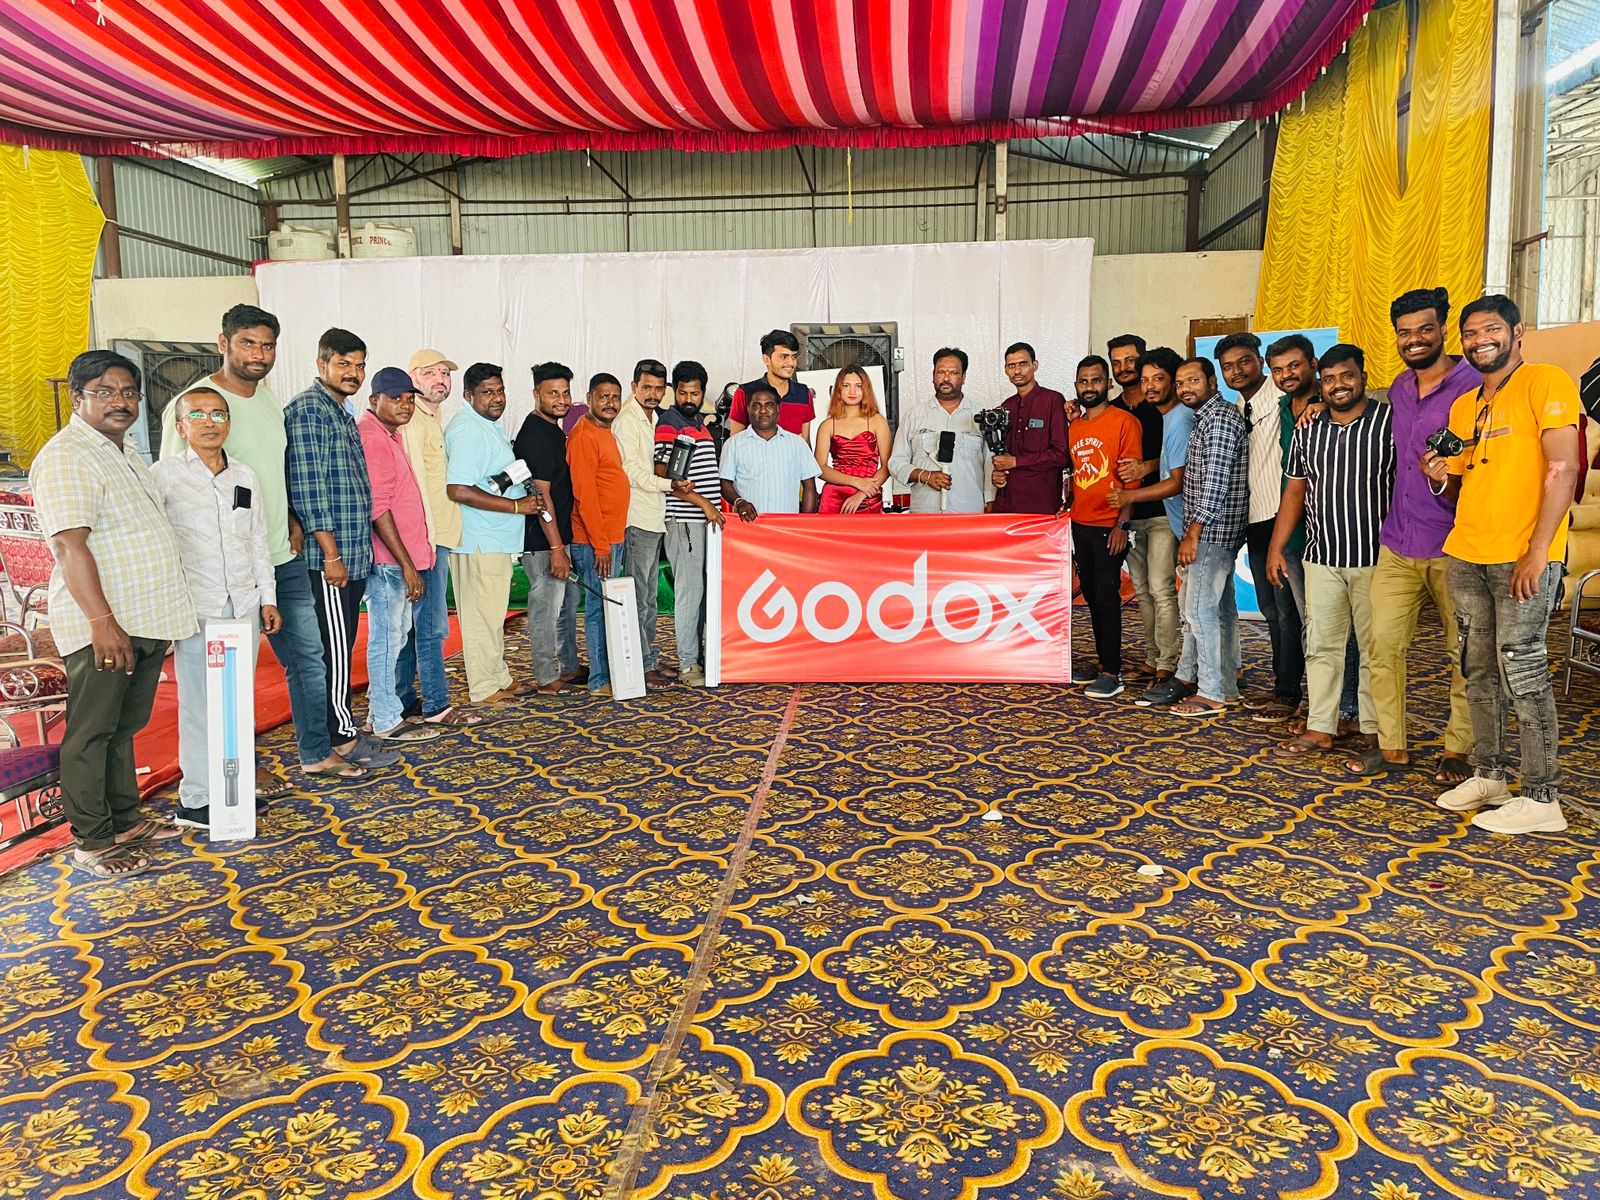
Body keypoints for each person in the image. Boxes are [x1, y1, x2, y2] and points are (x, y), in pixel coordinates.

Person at [161, 305, 359, 785]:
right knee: (228, 679)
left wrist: (289, 518)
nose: (259, 354)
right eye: (247, 343)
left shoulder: (269, 400)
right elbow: (173, 492)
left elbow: (273, 472)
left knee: (309, 658)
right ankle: (229, 775)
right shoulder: (194, 405)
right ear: (223, 343)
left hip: (280, 558)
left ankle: (316, 752)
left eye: (267, 346)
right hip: (224, 573)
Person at [31, 350, 197, 876]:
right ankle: (93, 840)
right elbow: (69, 546)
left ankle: (125, 819)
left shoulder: (122, 452)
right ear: (77, 397)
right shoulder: (68, 456)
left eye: (128, 392)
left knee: (124, 726)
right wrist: (102, 623)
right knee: (92, 732)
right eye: (104, 392)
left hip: (144, 616)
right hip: (107, 623)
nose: (120, 402)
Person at [1424, 295, 1581, 835]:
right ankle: (1489, 774)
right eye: (1470, 333)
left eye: (1491, 329)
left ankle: (1542, 798)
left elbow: (1564, 468)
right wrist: (1439, 475)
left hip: (1522, 556)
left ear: (1517, 332)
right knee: (1477, 668)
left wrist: (1538, 550)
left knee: (1524, 671)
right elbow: (1461, 481)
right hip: (1467, 552)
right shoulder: (1465, 405)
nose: (1479, 340)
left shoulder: (1545, 381)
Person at [1358, 289, 1478, 780]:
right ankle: (1391, 745)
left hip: (1455, 544)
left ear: (1443, 330)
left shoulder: (1475, 386)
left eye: (1425, 329)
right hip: (1398, 540)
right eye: (1405, 332)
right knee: (1382, 645)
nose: (1415, 339)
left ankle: (1458, 748)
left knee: (1463, 652)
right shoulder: (1401, 387)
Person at [153, 387, 281, 830]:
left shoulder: (243, 475)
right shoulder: (164, 476)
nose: (210, 422)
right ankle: (196, 799)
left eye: (219, 414)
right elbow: (158, 544)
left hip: (242, 604)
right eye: (198, 415)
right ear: (181, 425)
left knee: (236, 703)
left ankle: (232, 792)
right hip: (198, 607)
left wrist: (267, 597)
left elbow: (257, 540)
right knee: (199, 705)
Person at [1266, 345, 1395, 761]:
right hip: (1320, 556)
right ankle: (1321, 726)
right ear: (1320, 382)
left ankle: (1374, 728)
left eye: (1347, 376)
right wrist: (1276, 547)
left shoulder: (1390, 422)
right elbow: (1294, 491)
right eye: (1330, 379)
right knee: (1321, 645)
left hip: (1376, 559)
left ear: (1363, 378)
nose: (1339, 385)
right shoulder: (1308, 429)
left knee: (1375, 648)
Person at [286, 329, 393, 769]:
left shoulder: (340, 412)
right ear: (321, 364)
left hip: (350, 553)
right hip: (329, 559)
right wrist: (331, 555)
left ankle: (340, 731)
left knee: (341, 647)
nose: (353, 373)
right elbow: (308, 489)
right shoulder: (310, 410)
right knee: (331, 651)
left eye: (359, 365)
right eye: (344, 364)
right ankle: (341, 738)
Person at [1218, 331, 1309, 719]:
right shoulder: (1238, 406)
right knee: (1271, 609)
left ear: (1259, 362)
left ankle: (1290, 693)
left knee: (1290, 612)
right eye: (1228, 367)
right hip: (1254, 519)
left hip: (1283, 519)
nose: (1237, 371)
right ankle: (1282, 686)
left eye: (1244, 361)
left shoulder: (1286, 398)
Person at [358, 368, 443, 746]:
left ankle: (380, 712)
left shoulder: (388, 435)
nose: (405, 405)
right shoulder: (373, 438)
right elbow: (379, 508)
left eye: (409, 399)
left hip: (399, 560)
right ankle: (386, 720)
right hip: (390, 562)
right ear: (374, 400)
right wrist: (407, 565)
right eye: (396, 399)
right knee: (387, 640)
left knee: (393, 637)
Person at [395, 349, 478, 729]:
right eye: (430, 373)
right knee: (431, 625)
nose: (440, 379)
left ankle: (404, 700)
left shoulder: (432, 417)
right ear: (412, 377)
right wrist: (423, 541)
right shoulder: (412, 420)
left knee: (416, 625)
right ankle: (437, 705)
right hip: (424, 538)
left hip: (436, 535)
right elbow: (412, 486)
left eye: (445, 373)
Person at [444, 363, 531, 706]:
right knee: (481, 616)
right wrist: (516, 506)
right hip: (479, 538)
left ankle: (498, 676)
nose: (497, 398)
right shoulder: (469, 430)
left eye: (500, 390)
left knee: (492, 613)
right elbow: (458, 489)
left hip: (493, 537)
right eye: (487, 392)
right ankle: (483, 687)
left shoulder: (485, 425)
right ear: (468, 395)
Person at [1169, 356, 1248, 717]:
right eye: (1180, 383)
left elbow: (1215, 483)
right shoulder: (1211, 417)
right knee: (1221, 611)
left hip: (1211, 532)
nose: (1185, 388)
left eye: (1193, 380)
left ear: (1212, 382)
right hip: (1217, 531)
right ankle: (1226, 687)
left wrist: (1193, 534)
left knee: (1198, 611)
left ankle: (1211, 691)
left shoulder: (1218, 419)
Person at [1111, 347, 1191, 700]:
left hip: (1162, 512)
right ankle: (1153, 657)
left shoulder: (1179, 414)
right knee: (1143, 591)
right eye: (1146, 379)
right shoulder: (1116, 408)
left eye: (1157, 378)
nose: (1150, 385)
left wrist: (1143, 471)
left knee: (1161, 589)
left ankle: (1167, 664)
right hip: (1132, 516)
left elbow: (1178, 474)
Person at [1065, 356, 1143, 699]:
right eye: (1083, 381)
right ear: (1076, 385)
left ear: (1108, 384)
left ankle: (1112, 672)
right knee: (1092, 596)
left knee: (1107, 597)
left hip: (1110, 525)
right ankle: (1102, 662)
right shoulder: (1075, 426)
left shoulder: (1124, 422)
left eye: (1096, 380)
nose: (1089, 387)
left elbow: (1132, 478)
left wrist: (1121, 524)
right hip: (1080, 523)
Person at [656, 360, 727, 687]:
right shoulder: (669, 424)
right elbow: (666, 476)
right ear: (674, 391)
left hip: (703, 521)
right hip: (685, 519)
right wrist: (705, 505)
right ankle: (688, 664)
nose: (688, 398)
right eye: (682, 392)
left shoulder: (698, 423)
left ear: (703, 393)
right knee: (689, 591)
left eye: (694, 393)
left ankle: (700, 656)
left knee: (704, 591)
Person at [515, 362, 582, 696]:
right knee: (546, 608)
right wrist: (556, 548)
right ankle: (546, 677)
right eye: (552, 393)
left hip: (558, 538)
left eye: (565, 392)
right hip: (541, 541)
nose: (561, 399)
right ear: (536, 394)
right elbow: (541, 497)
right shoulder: (536, 435)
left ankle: (568, 666)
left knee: (566, 603)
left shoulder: (553, 430)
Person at [567, 373, 632, 696]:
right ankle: (599, 680)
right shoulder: (583, 437)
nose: (610, 403)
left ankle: (610, 673)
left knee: (606, 609)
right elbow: (585, 497)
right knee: (597, 609)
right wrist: (601, 545)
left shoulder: (605, 431)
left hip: (611, 536)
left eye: (615, 397)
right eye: (603, 397)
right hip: (595, 542)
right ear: (590, 398)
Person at [615, 359, 676, 686]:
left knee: (649, 596)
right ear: (634, 386)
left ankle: (648, 657)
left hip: (654, 516)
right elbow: (632, 473)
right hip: (637, 517)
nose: (653, 394)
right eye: (647, 387)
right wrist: (670, 485)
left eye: (659, 388)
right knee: (639, 596)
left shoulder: (656, 418)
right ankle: (639, 664)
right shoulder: (627, 421)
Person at [888, 348, 994, 514]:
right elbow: (896, 462)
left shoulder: (982, 417)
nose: (946, 378)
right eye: (941, 372)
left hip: (968, 513)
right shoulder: (914, 416)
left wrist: (991, 503)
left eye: (953, 373)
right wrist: (925, 476)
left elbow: (991, 465)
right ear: (933, 376)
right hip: (925, 514)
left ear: (963, 377)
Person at [991, 342, 1068, 515]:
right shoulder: (1006, 406)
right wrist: (997, 474)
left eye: (1023, 364)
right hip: (1007, 504)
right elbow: (1002, 455)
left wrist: (1016, 462)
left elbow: (1061, 455)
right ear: (1005, 369)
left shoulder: (1053, 400)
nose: (1017, 371)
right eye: (1011, 365)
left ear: (1035, 365)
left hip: (1041, 505)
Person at [721, 386, 822, 518]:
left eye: (769, 405)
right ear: (748, 409)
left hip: (786, 526)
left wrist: (804, 522)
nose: (763, 411)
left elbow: (809, 486)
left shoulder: (798, 443)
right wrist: (739, 502)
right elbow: (725, 483)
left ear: (778, 409)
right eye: (756, 406)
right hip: (748, 525)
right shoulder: (733, 444)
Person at [813, 365, 893, 513]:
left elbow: (888, 466)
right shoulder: (827, 425)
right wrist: (856, 482)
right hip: (834, 496)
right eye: (846, 386)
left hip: (868, 494)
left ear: (866, 389)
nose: (852, 392)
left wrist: (863, 492)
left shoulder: (877, 421)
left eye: (858, 386)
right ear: (838, 389)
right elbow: (819, 468)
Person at [727, 329, 815, 439]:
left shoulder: (804, 393)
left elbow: (805, 442)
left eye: (794, 357)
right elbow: (736, 442)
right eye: (784, 357)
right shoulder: (744, 392)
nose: (791, 363)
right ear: (767, 359)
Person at [1107, 333, 1147, 411]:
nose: (1123, 368)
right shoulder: (1111, 410)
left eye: (1130, 360)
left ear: (1143, 360)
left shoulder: (1159, 405)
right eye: (1116, 363)